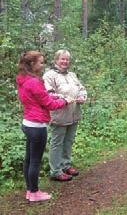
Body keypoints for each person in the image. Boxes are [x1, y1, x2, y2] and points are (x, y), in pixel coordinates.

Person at [16, 51, 71, 202]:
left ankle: (30, 191)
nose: (42, 65)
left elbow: (40, 98)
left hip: (27, 123)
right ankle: (34, 192)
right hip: (37, 126)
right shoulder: (35, 82)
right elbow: (49, 104)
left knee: (29, 160)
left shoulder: (23, 79)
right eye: (40, 62)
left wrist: (56, 96)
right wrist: (65, 101)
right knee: (34, 161)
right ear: (32, 64)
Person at [43, 49, 87, 181]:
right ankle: (56, 171)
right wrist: (64, 98)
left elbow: (82, 89)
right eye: (62, 59)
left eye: (67, 59)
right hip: (59, 115)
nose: (65, 62)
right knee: (57, 143)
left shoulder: (72, 75)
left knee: (69, 141)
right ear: (56, 60)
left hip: (74, 114)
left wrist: (82, 96)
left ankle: (66, 165)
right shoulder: (49, 75)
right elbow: (48, 94)